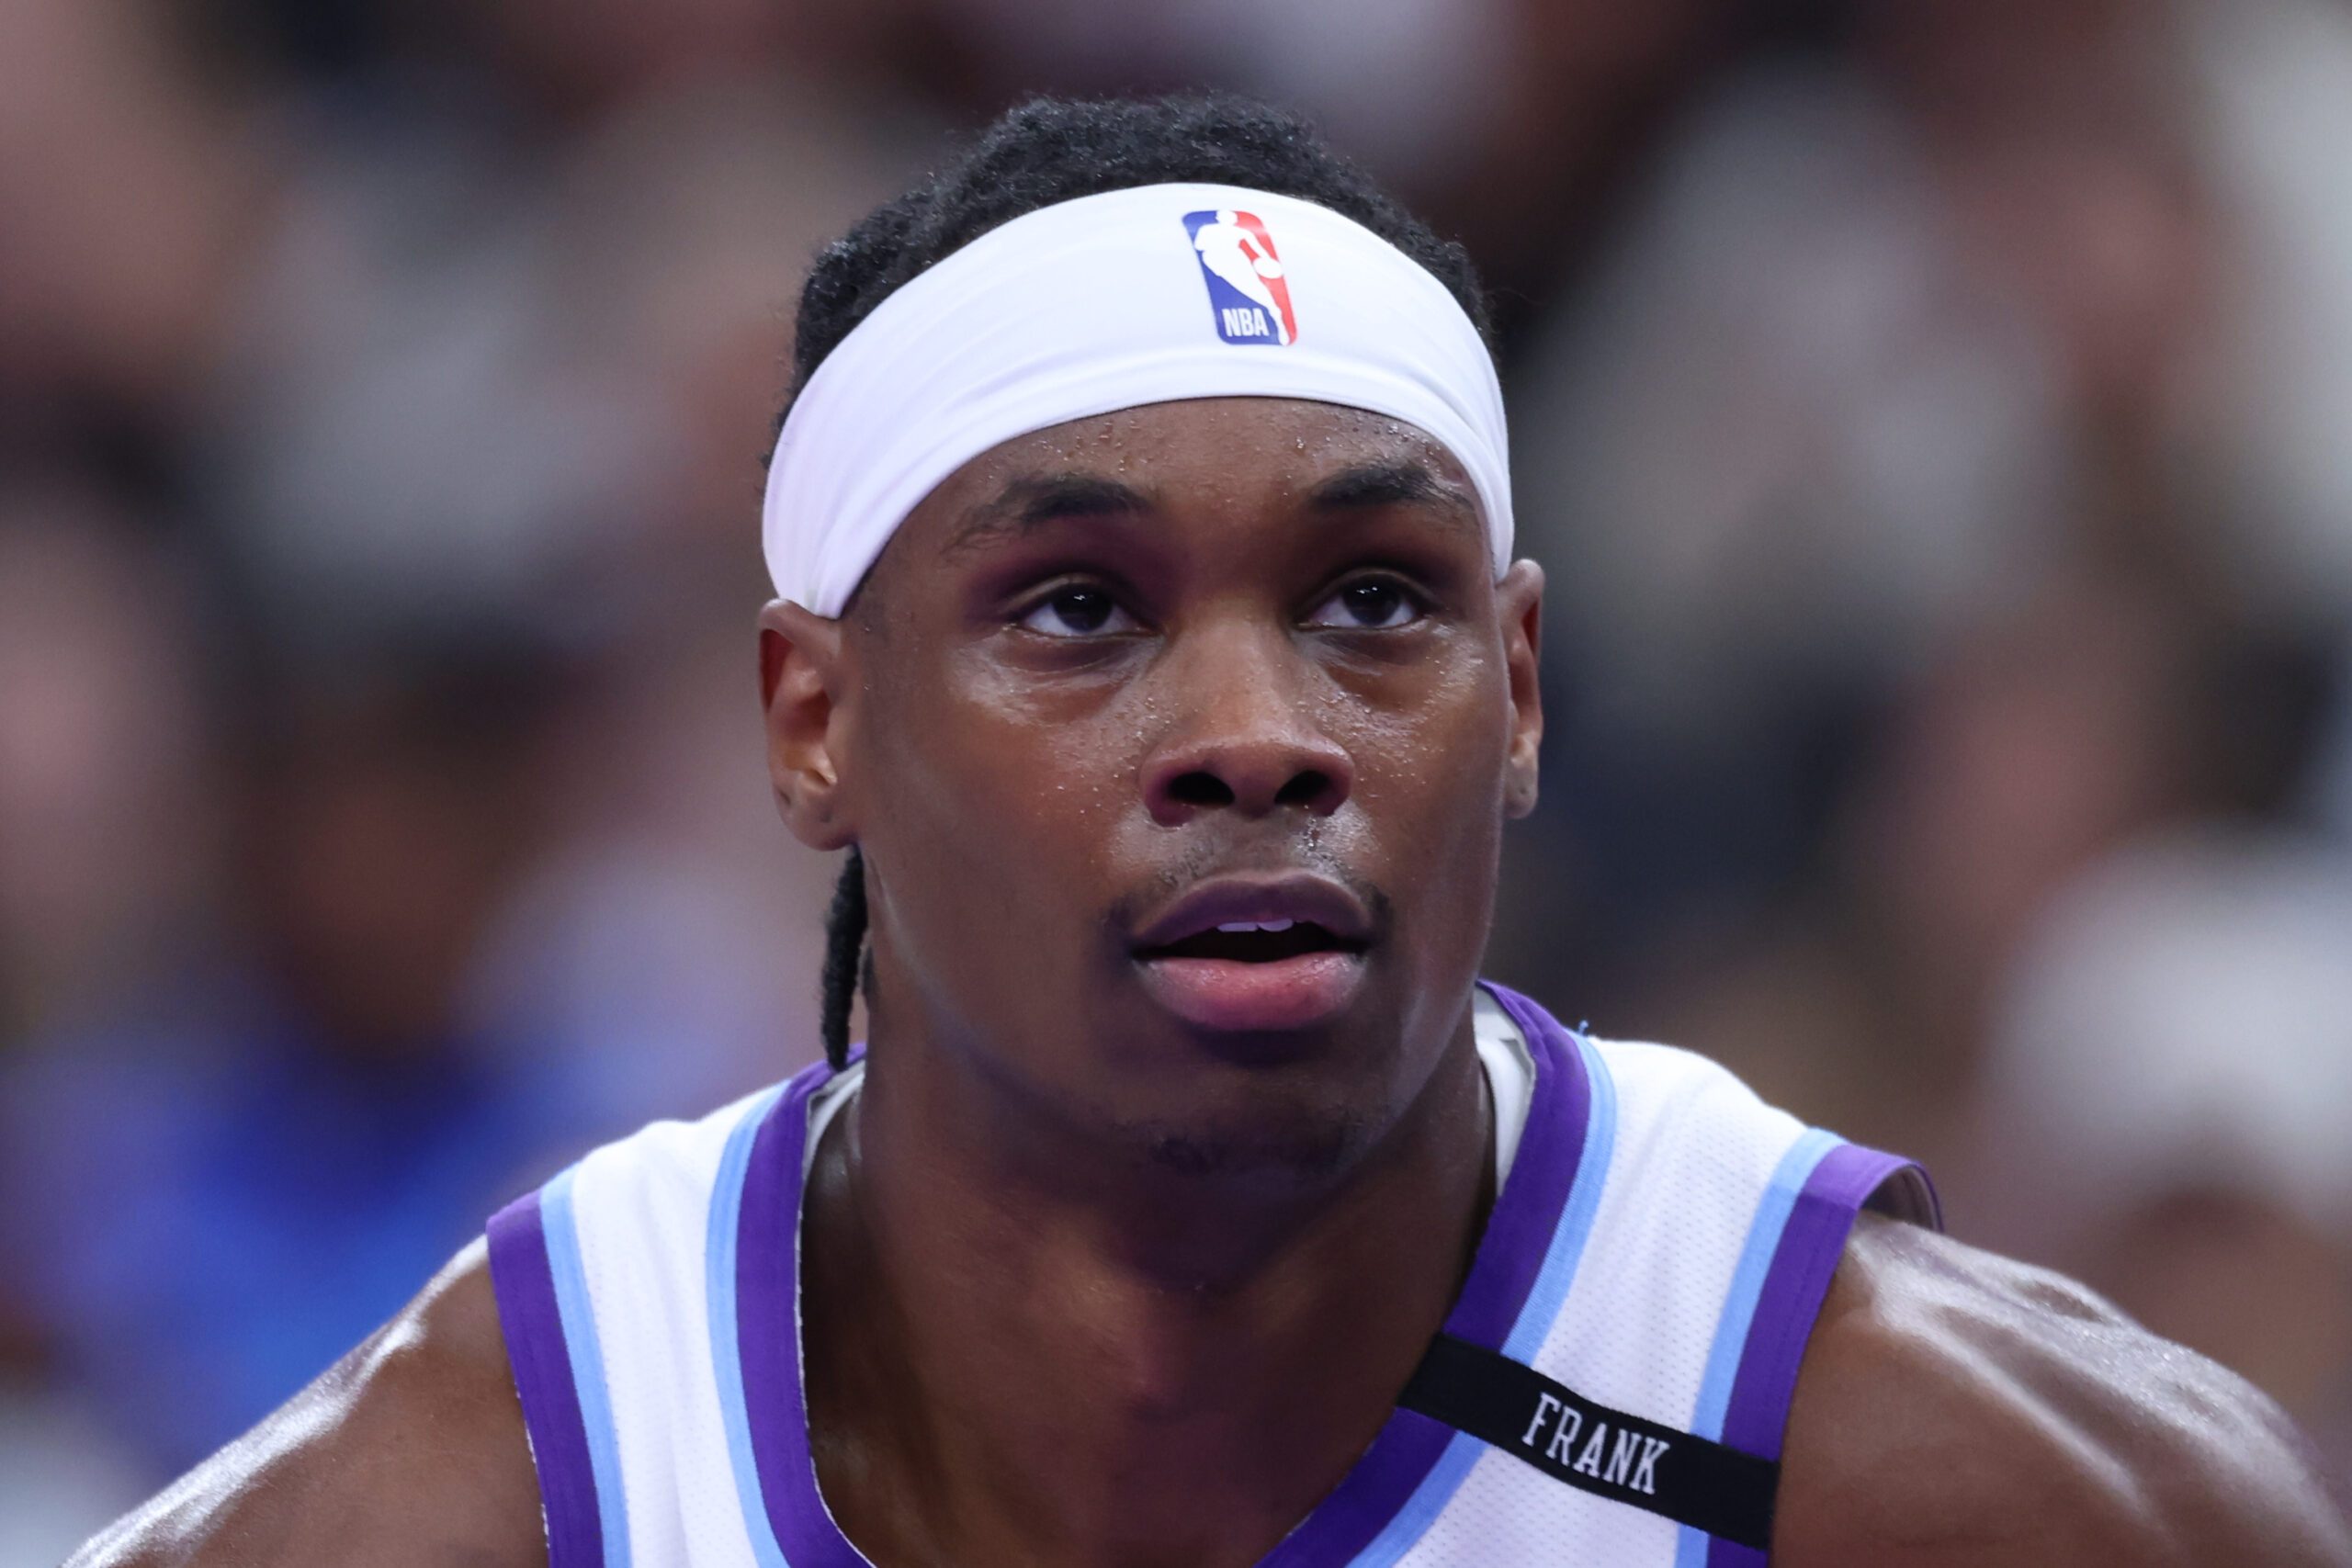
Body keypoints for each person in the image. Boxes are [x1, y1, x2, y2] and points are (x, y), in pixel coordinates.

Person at [71, 94, 2351, 1568]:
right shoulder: (486, 1497)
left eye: (1375, 601)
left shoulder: (1987, 1489)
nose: (1256, 736)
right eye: (1079, 610)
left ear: (1524, 689)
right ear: (814, 722)